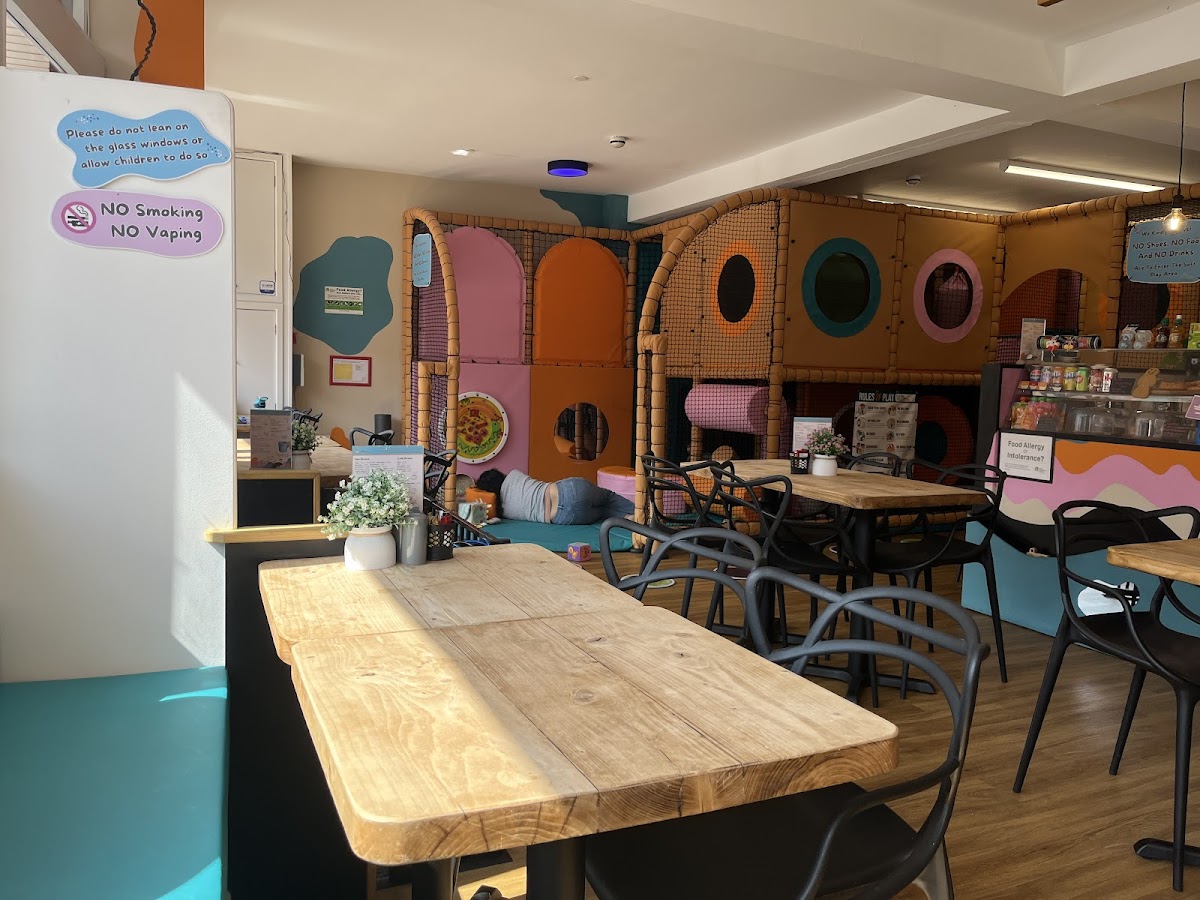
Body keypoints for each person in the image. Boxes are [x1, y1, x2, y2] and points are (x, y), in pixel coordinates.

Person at [475, 469, 633, 526]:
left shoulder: (503, 513)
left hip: (565, 516)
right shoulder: (513, 475)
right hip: (571, 490)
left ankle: (630, 519)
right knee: (608, 497)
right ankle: (640, 513)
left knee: (603, 512)